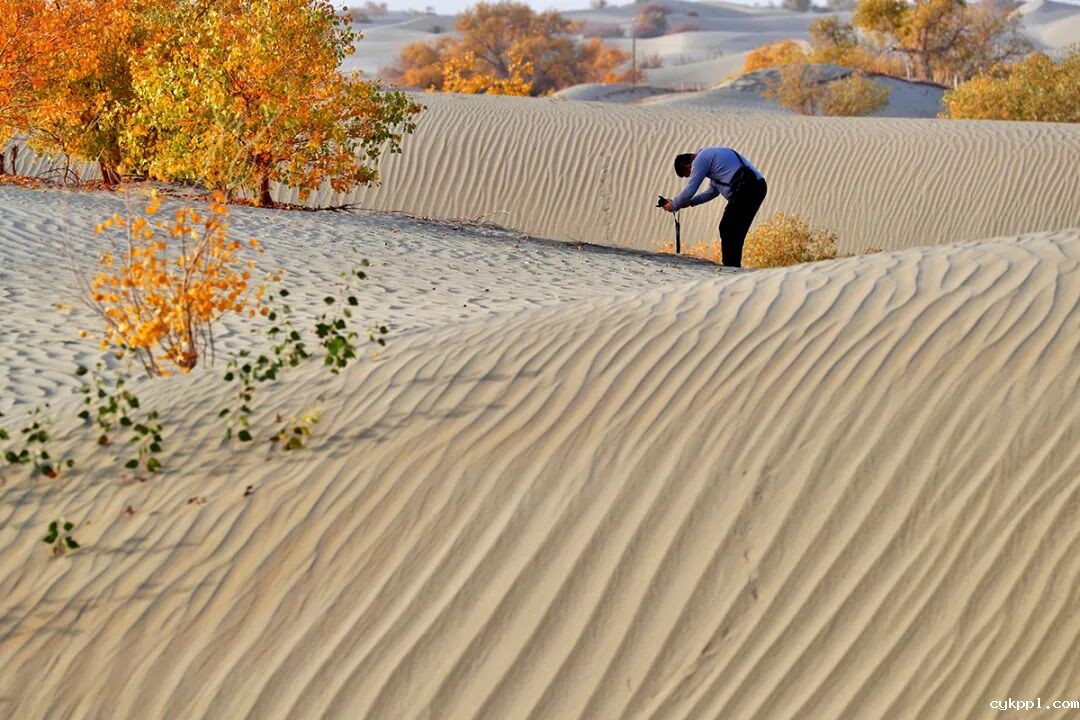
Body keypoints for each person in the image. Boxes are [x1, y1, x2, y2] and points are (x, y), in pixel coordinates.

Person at [662, 147, 767, 268]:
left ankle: (730, 268)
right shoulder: (712, 161)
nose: (693, 174)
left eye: (688, 174)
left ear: (688, 165)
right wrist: (690, 202)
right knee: (736, 230)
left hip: (745, 188)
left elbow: (690, 190)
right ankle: (733, 267)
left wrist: (674, 204)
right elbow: (712, 192)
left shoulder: (701, 159)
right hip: (758, 187)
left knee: (727, 227)